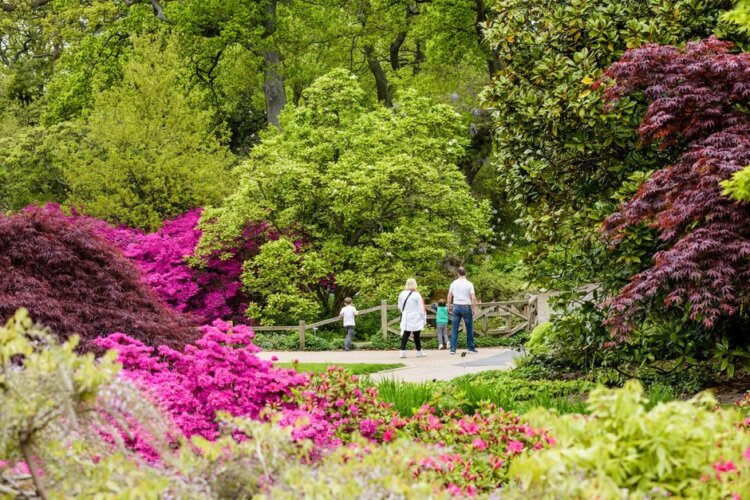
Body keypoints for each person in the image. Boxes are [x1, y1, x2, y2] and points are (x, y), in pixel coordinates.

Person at [447, 266, 478, 354]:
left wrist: (449, 305)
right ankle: (470, 348)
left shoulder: (453, 283)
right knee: (469, 328)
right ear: (466, 273)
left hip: (456, 306)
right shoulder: (469, 284)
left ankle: (453, 349)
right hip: (466, 306)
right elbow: (473, 297)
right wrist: (474, 308)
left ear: (458, 274)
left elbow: (449, 296)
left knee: (454, 328)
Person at [398, 278, 426, 358]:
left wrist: (404, 312)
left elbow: (399, 306)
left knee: (405, 334)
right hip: (415, 316)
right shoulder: (416, 294)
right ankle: (419, 351)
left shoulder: (402, 293)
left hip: (406, 316)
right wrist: (422, 317)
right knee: (416, 334)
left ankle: (402, 351)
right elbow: (420, 308)